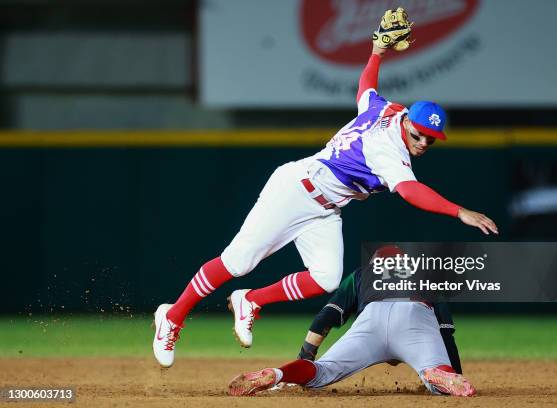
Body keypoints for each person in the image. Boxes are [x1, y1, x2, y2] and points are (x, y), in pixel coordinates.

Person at [153, 7, 498, 368]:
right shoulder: (387, 149)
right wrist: (459, 211)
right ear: (408, 122)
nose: (423, 143)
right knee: (238, 261)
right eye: (419, 134)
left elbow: (366, 89)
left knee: (326, 277)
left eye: (431, 140)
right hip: (296, 189)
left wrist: (377, 53)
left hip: (326, 207)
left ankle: (251, 300)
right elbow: (411, 192)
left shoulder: (388, 110)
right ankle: (172, 317)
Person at [227, 246, 472, 397]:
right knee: (437, 373)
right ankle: (437, 374)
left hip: (371, 319)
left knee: (321, 373)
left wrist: (305, 359)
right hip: (414, 317)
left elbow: (327, 317)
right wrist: (456, 374)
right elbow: (445, 330)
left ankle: (277, 373)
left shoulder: (361, 274)